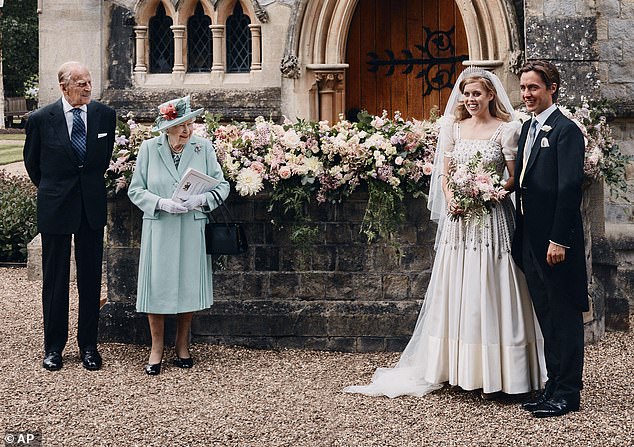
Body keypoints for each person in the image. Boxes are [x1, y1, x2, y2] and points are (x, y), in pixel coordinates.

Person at [344, 67, 545, 398]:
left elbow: (513, 177)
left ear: (491, 95)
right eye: (466, 94)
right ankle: (457, 367)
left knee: (493, 285)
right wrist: (453, 199)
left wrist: (491, 191)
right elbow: (445, 175)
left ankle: (503, 371)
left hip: (492, 219)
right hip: (459, 222)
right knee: (459, 285)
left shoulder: (507, 130)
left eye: (477, 94)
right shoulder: (453, 127)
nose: (470, 100)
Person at [23, 61, 117, 371]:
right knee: (55, 279)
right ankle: (53, 348)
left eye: (89, 82)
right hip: (55, 206)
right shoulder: (40, 119)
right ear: (64, 87)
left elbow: (101, 162)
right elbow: (33, 165)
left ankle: (89, 346)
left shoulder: (105, 116)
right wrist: (56, 191)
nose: (88, 88)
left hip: (90, 207)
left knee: (90, 279)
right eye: (81, 84)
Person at [127, 96, 230, 375]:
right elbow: (135, 190)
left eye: (190, 123)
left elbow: (222, 187)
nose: (187, 130)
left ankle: (182, 345)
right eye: (180, 125)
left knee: (187, 285)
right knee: (156, 287)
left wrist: (200, 201)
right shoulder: (149, 149)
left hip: (191, 225)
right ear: (166, 127)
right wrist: (160, 203)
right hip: (159, 225)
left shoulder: (203, 148)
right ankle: (156, 347)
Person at [512, 60, 588, 418]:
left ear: (552, 87)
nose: (527, 94)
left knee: (564, 315)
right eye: (524, 88)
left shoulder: (566, 130)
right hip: (530, 238)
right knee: (546, 315)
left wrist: (559, 240)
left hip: (556, 245)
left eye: (534, 88)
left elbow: (570, 188)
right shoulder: (528, 128)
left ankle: (568, 393)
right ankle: (552, 386)